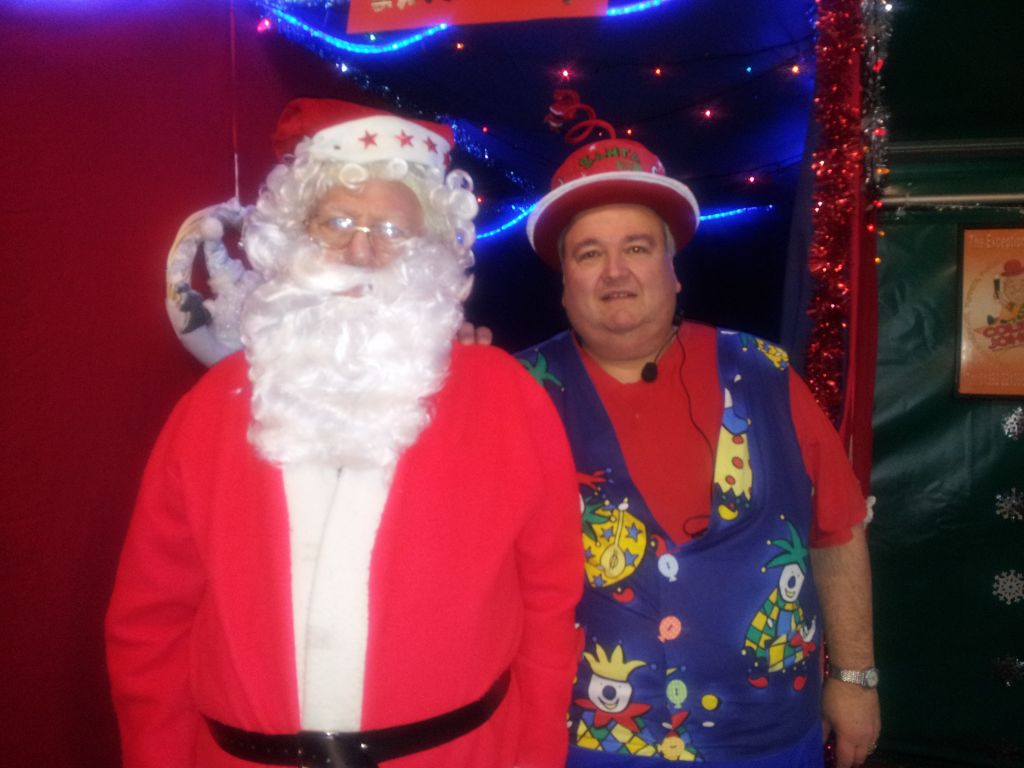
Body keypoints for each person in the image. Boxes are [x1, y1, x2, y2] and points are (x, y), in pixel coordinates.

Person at [105, 98, 582, 768]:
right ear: (294, 236)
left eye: (391, 229)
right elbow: (151, 624)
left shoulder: (507, 397)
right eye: (336, 222)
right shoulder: (211, 406)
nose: (361, 250)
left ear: (432, 251)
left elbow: (550, 610)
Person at [508, 125, 881, 767]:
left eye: (637, 247)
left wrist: (855, 676)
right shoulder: (514, 391)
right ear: (564, 281)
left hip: (766, 739)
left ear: (672, 269)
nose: (615, 271)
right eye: (589, 254)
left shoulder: (763, 371)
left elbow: (837, 532)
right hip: (589, 744)